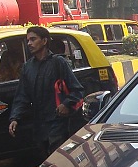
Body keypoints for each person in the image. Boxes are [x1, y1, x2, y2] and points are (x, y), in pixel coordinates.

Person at [8, 26, 84, 157]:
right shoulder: (28, 67)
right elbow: (22, 96)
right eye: (28, 40)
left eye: (33, 39)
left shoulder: (58, 63)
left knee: (57, 159)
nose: (29, 44)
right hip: (39, 126)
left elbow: (77, 90)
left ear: (44, 41)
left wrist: (66, 104)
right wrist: (15, 117)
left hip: (58, 123)